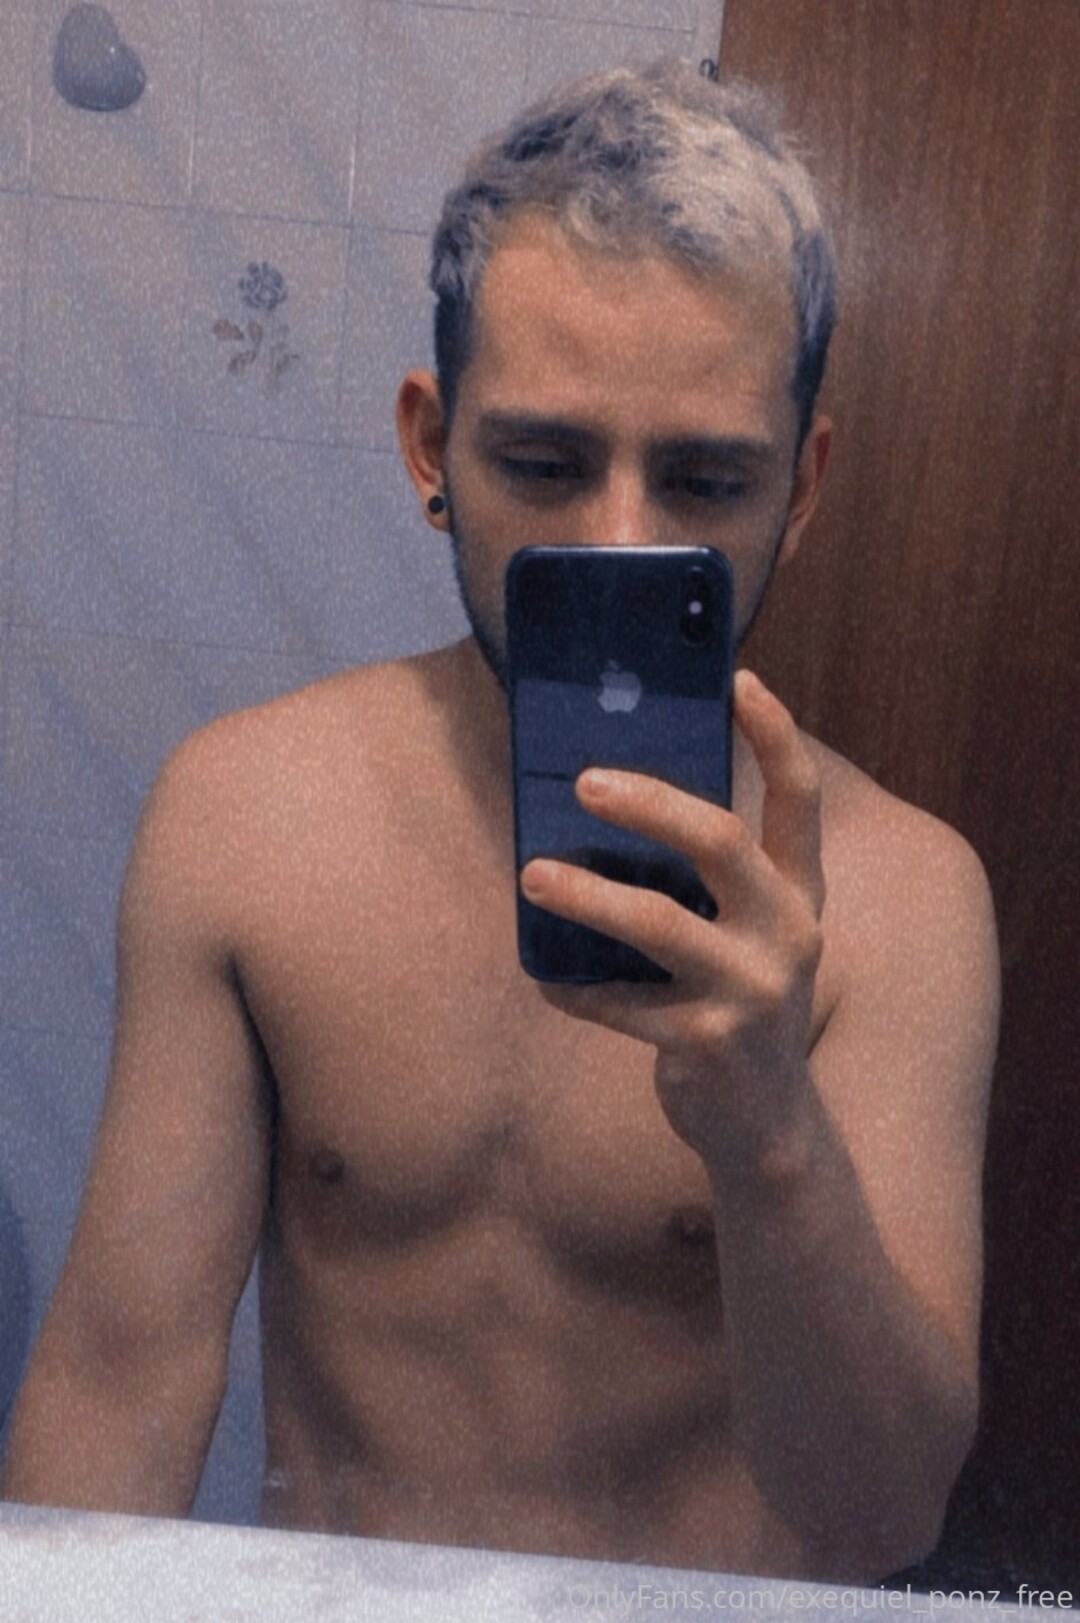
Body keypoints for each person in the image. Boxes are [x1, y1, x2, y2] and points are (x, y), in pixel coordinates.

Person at [0, 60, 999, 1583]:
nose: (619, 538)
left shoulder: (908, 902)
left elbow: (881, 1519)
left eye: (704, 479)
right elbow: (122, 1378)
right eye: (543, 462)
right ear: (431, 447)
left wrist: (769, 1136)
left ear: (800, 489)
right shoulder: (246, 821)